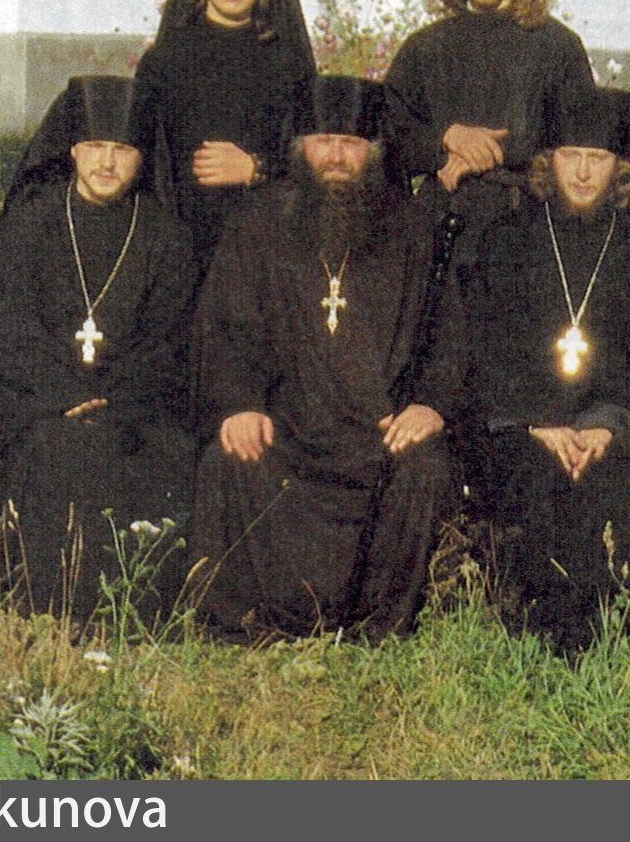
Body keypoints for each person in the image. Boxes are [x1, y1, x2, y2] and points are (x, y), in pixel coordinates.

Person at [188, 73, 466, 640]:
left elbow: (448, 334)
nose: (336, 155)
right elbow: (225, 330)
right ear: (299, 147)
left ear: (373, 150)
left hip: (379, 432)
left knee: (425, 464)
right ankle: (256, 622)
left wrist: (430, 405)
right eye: (323, 141)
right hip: (287, 429)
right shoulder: (257, 223)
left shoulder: (414, 228)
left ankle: (376, 624)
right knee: (232, 459)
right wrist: (240, 404)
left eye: (352, 143)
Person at [0, 74, 197, 623]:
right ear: (72, 148)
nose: (106, 163)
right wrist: (66, 394)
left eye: (122, 149)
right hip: (32, 400)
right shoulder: (29, 223)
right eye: (94, 147)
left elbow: (168, 344)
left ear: (142, 156)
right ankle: (35, 607)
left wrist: (107, 397)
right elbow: (7, 332)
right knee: (45, 446)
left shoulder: (166, 237)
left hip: (131, 406)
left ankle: (128, 610)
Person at [460, 78, 630, 655]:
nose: (584, 173)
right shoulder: (507, 240)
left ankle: (629, 633)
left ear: (620, 166)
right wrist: (537, 422)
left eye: (597, 158)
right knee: (543, 483)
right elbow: (484, 347)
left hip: (609, 426)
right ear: (548, 161)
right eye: (571, 157)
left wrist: (605, 425)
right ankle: (552, 632)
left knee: (608, 485)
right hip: (522, 429)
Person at [382, 0, 594, 251]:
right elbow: (387, 131)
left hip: (525, 232)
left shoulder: (557, 47)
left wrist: (484, 158)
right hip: (436, 229)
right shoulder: (426, 47)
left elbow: (578, 144)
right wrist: (446, 140)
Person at [128, 0, 317, 277]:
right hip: (178, 249)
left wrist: (255, 168)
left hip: (264, 248)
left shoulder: (289, 63)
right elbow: (142, 159)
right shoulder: (164, 61)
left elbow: (311, 156)